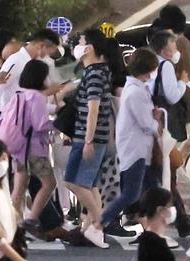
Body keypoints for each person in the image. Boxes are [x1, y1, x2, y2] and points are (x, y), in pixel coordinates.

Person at [98, 48, 162, 238]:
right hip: (136, 149)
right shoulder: (135, 92)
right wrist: (156, 120)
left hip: (137, 148)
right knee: (131, 194)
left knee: (150, 191)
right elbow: (146, 124)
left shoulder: (134, 89)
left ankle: (151, 229)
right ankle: (99, 222)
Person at [65, 28, 116, 249]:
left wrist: (88, 140)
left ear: (90, 48)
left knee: (74, 181)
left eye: (82, 41)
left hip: (90, 137)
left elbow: (93, 109)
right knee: (91, 184)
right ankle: (94, 227)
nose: (78, 45)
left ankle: (98, 224)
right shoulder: (97, 71)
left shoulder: (94, 74)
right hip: (96, 136)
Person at [10, 60, 61, 235]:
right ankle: (31, 219)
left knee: (19, 188)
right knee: (49, 183)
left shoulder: (20, 94)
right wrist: (56, 125)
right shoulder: (38, 97)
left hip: (19, 147)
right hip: (35, 149)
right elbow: (40, 125)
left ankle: (11, 226)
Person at [0, 28, 62, 121]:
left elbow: (28, 98)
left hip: (22, 120)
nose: (47, 56)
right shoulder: (17, 61)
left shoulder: (31, 63)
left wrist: (53, 108)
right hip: (10, 120)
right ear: (42, 46)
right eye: (48, 52)